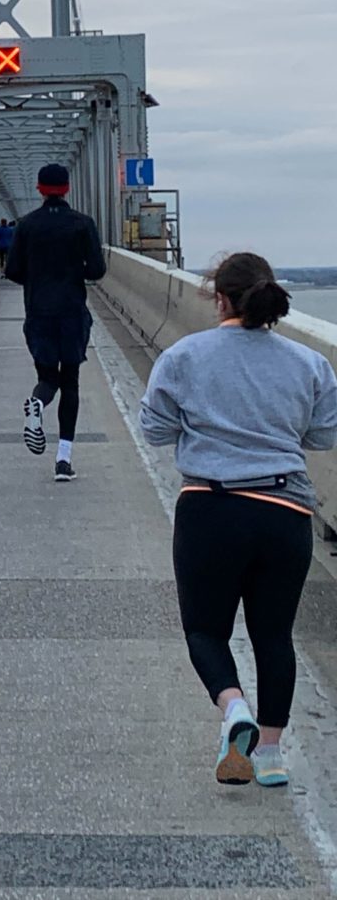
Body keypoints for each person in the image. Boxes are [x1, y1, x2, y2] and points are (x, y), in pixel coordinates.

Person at [140, 252, 337, 787]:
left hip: (211, 507)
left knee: (206, 630)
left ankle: (233, 709)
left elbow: (155, 431)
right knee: (275, 635)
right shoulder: (309, 364)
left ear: (219, 298)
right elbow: (323, 435)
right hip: (285, 512)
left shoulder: (184, 356)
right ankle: (271, 755)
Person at [6, 164, 105, 480]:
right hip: (72, 312)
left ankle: (37, 402)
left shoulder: (27, 225)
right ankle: (63, 460)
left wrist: (36, 277)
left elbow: (12, 270)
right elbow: (97, 270)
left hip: (39, 311)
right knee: (71, 382)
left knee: (48, 378)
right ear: (67, 189)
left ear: (39, 189)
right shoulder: (82, 224)